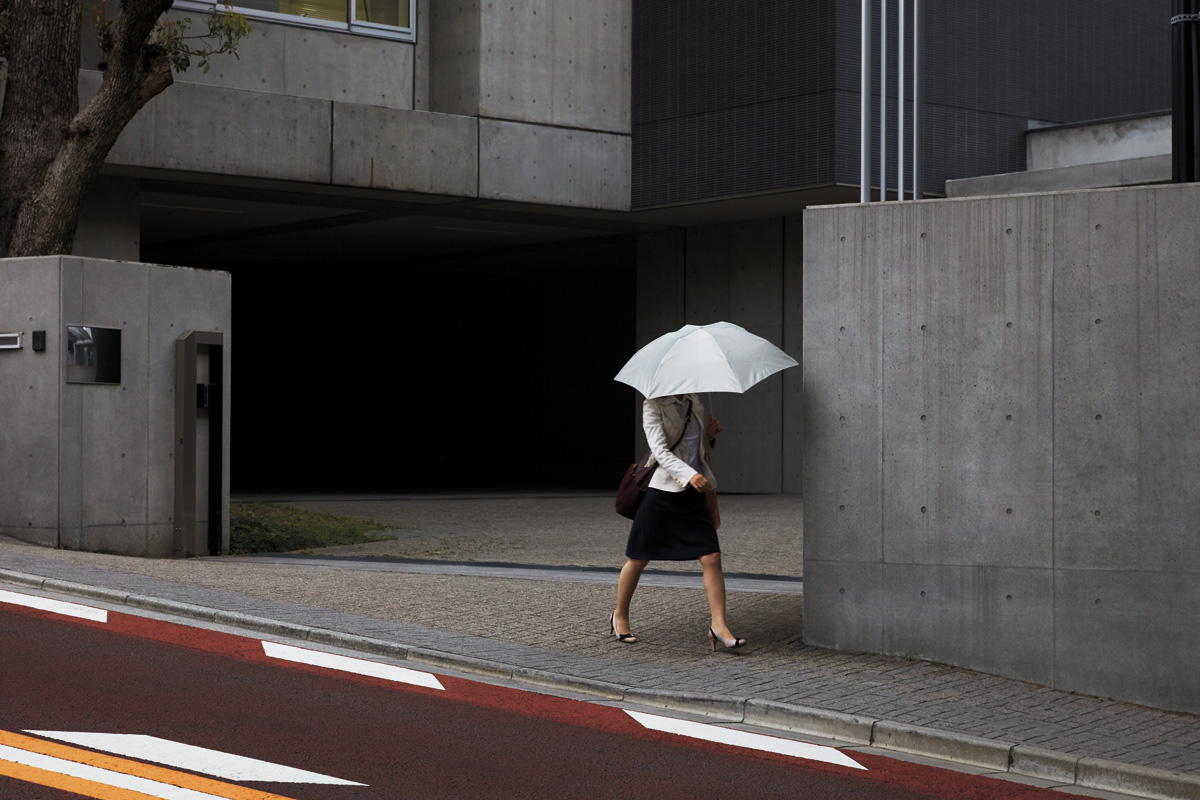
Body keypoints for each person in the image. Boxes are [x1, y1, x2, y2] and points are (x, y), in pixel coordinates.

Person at [610, 393, 746, 650]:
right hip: (662, 491)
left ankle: (719, 626)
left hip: (693, 491)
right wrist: (689, 474)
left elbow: (694, 446)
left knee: (711, 556)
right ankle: (620, 616)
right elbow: (660, 451)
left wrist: (710, 436)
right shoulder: (654, 405)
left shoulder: (694, 401)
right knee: (638, 557)